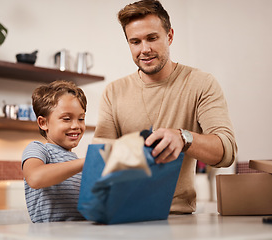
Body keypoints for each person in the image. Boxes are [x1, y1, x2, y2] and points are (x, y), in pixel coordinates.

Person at [94, 0, 237, 214]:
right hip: (123, 213)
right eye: (135, 41)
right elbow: (100, 159)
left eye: (152, 38)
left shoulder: (201, 83)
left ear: (169, 36)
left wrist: (183, 138)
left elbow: (227, 151)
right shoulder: (113, 92)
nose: (145, 49)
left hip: (178, 216)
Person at [22, 80, 87, 223]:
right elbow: (35, 177)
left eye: (81, 118)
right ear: (43, 123)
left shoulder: (78, 163)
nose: (76, 125)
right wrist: (87, 162)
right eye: (67, 119)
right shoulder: (39, 149)